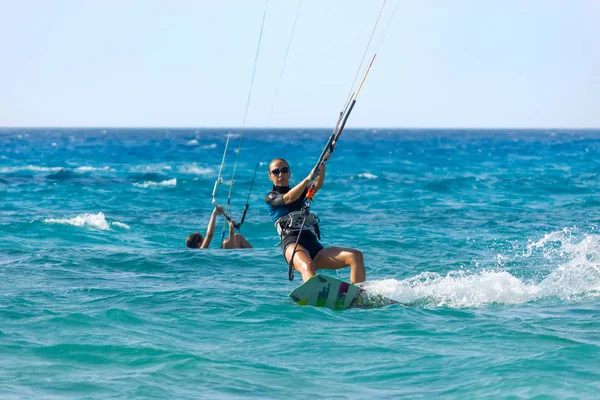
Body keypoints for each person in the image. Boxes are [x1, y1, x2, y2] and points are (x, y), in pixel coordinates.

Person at [264, 156, 366, 284]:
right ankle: (314, 295)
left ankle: (358, 295)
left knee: (355, 256)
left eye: (284, 170)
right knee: (307, 265)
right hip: (292, 244)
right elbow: (288, 198)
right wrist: (307, 179)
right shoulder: (270, 197)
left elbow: (317, 185)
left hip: (313, 244)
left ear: (289, 174)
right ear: (270, 176)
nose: (281, 174)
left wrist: (322, 163)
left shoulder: (301, 192)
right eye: (276, 172)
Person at [186, 204, 252, 249]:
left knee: (237, 237)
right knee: (226, 244)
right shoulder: (201, 252)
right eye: (203, 240)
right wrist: (214, 214)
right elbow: (209, 235)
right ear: (198, 244)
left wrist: (231, 230)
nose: (205, 240)